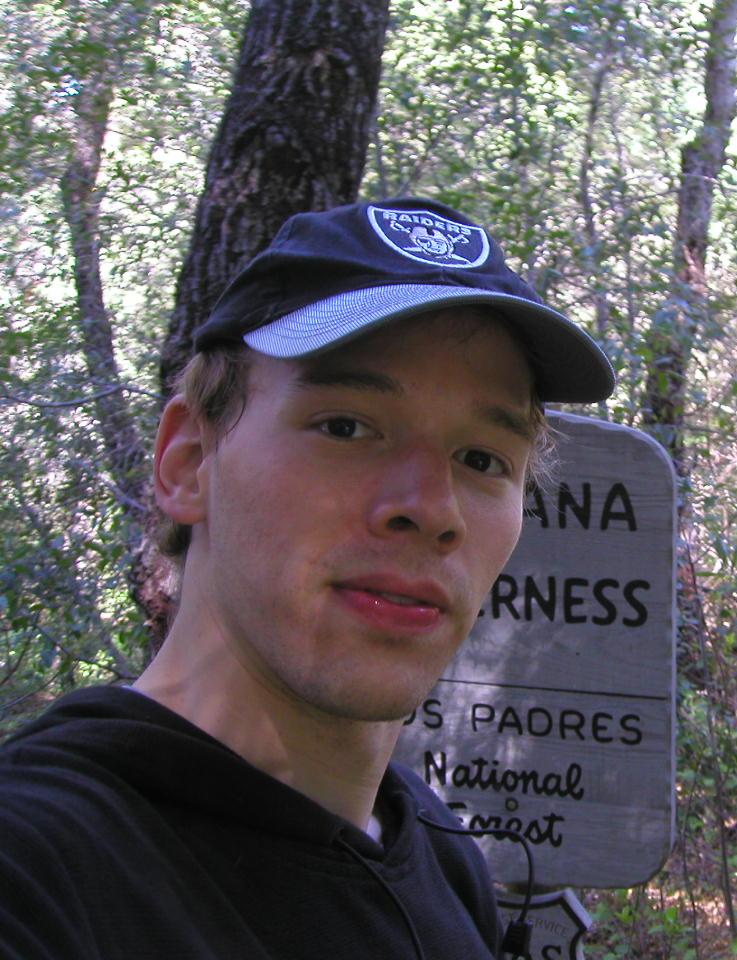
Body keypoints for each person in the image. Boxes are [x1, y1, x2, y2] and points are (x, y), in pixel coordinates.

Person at [0, 198, 615, 960]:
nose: (431, 510)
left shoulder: (440, 859)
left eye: (483, 460)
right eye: (347, 427)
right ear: (188, 461)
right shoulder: (38, 867)